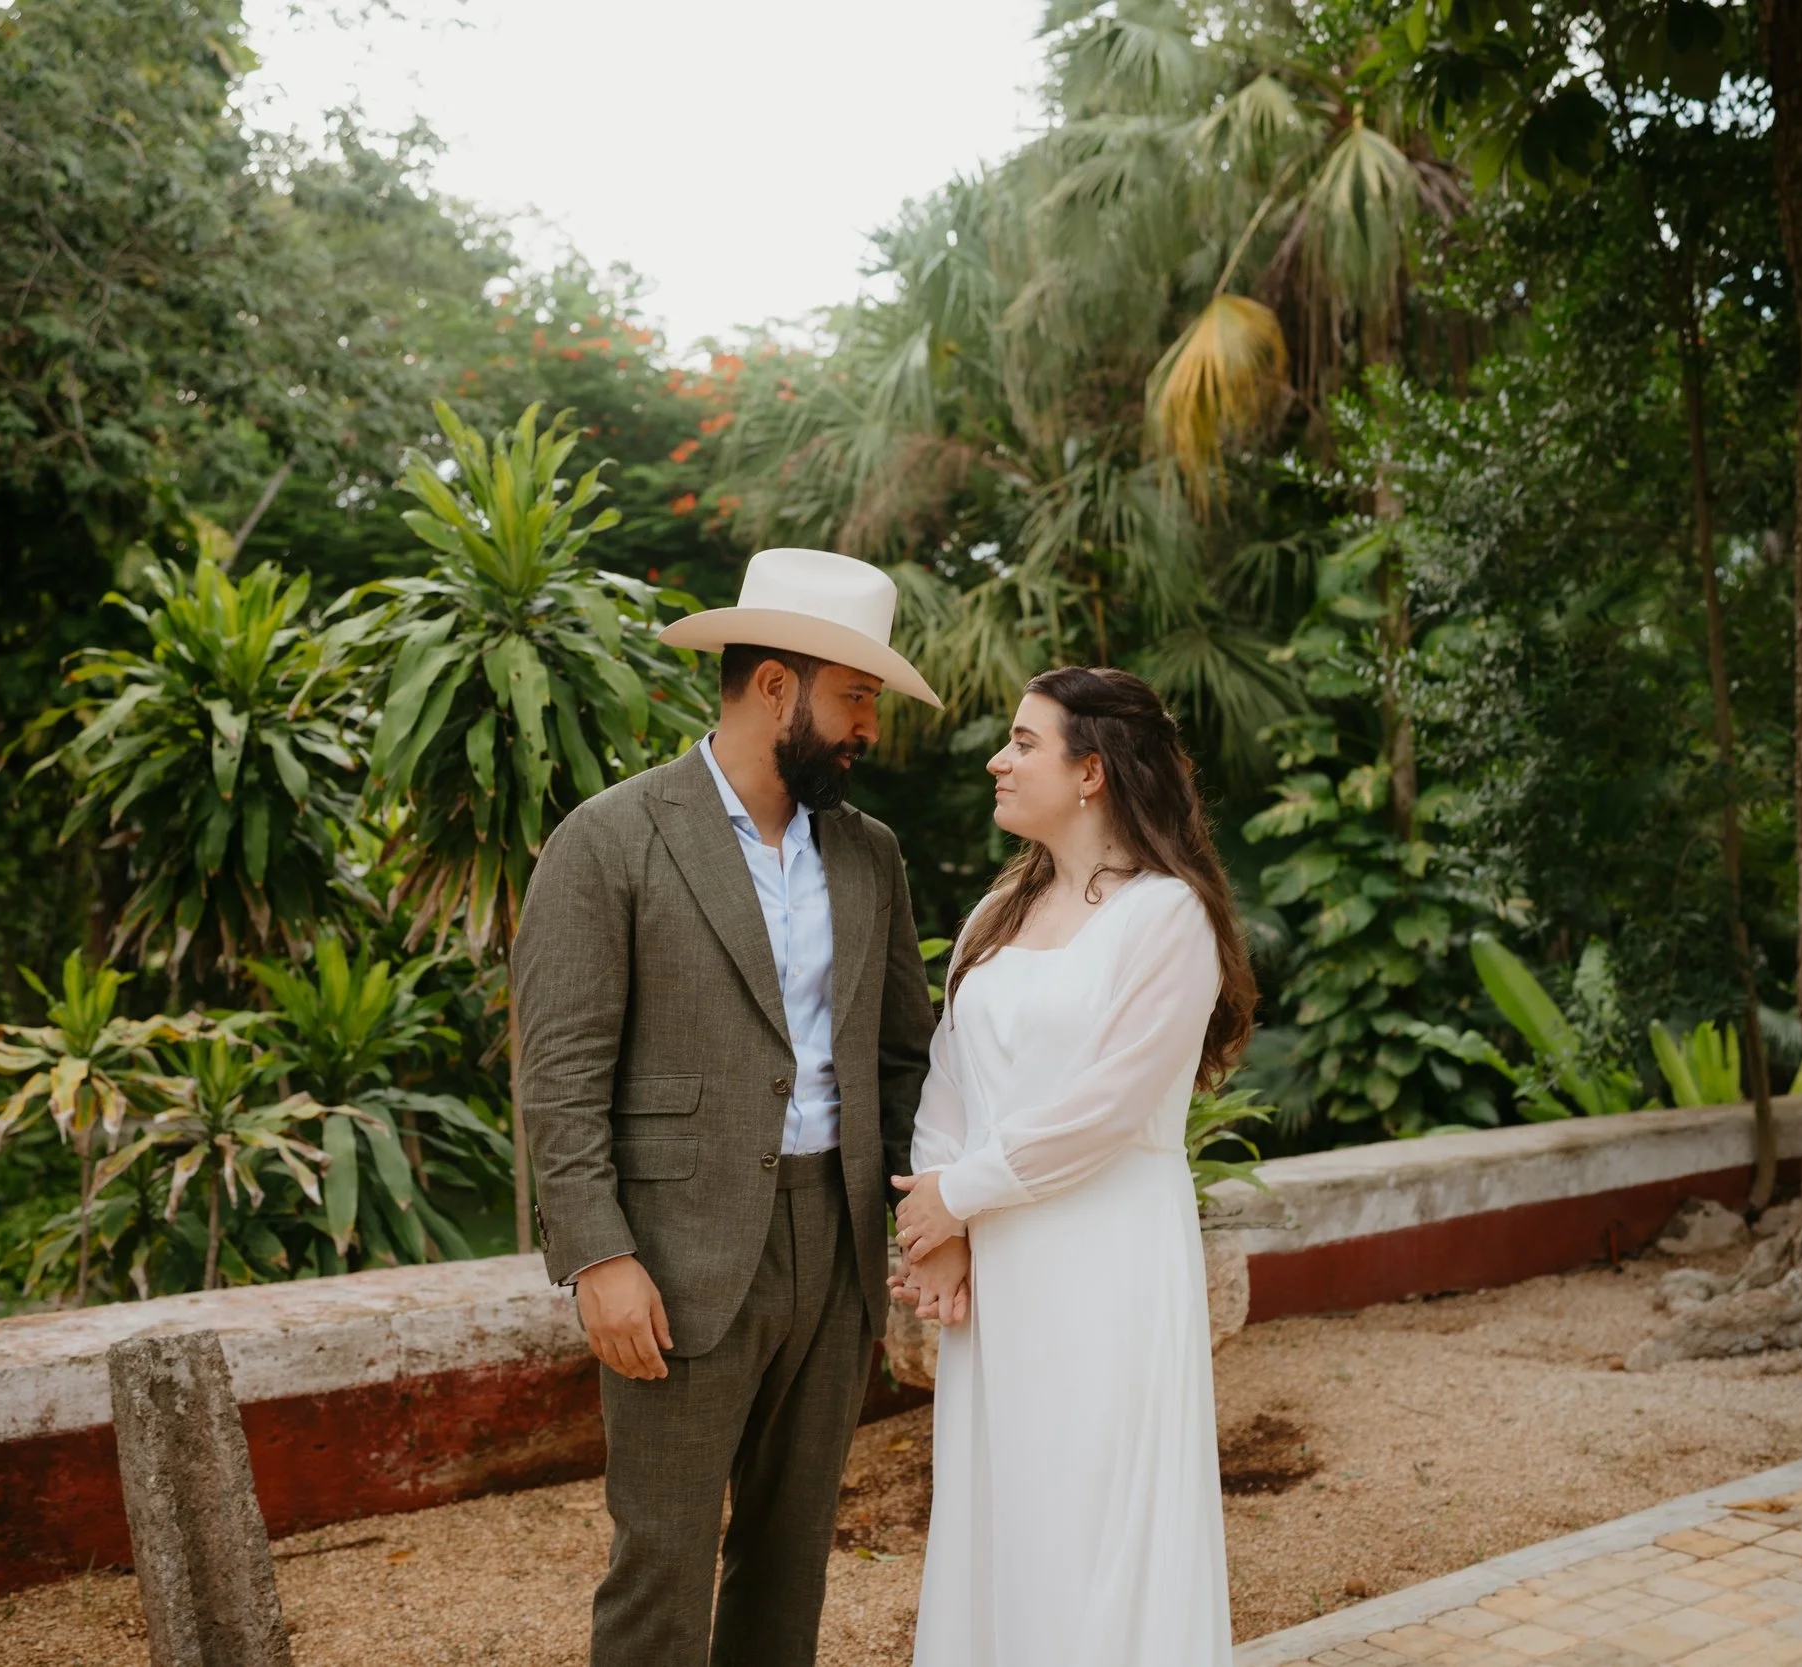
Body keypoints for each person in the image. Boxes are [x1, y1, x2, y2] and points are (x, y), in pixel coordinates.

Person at [512, 547, 941, 1667]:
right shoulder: (609, 839)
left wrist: (924, 1211)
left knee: (791, 1553)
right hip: (672, 1253)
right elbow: (556, 1071)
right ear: (773, 688)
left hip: (835, 1248)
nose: (868, 728)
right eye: (855, 697)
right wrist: (596, 1252)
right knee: (659, 1561)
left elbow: (901, 1055)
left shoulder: (871, 854)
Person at [890, 665, 1257, 1667]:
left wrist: (958, 1193)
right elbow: (949, 1075)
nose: (995, 759)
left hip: (1108, 1260)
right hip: (1001, 1266)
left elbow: (1111, 1104)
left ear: (1090, 770)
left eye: (1021, 741)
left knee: (1096, 1518)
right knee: (1002, 1506)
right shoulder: (998, 912)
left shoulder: (1166, 916)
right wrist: (943, 1227)